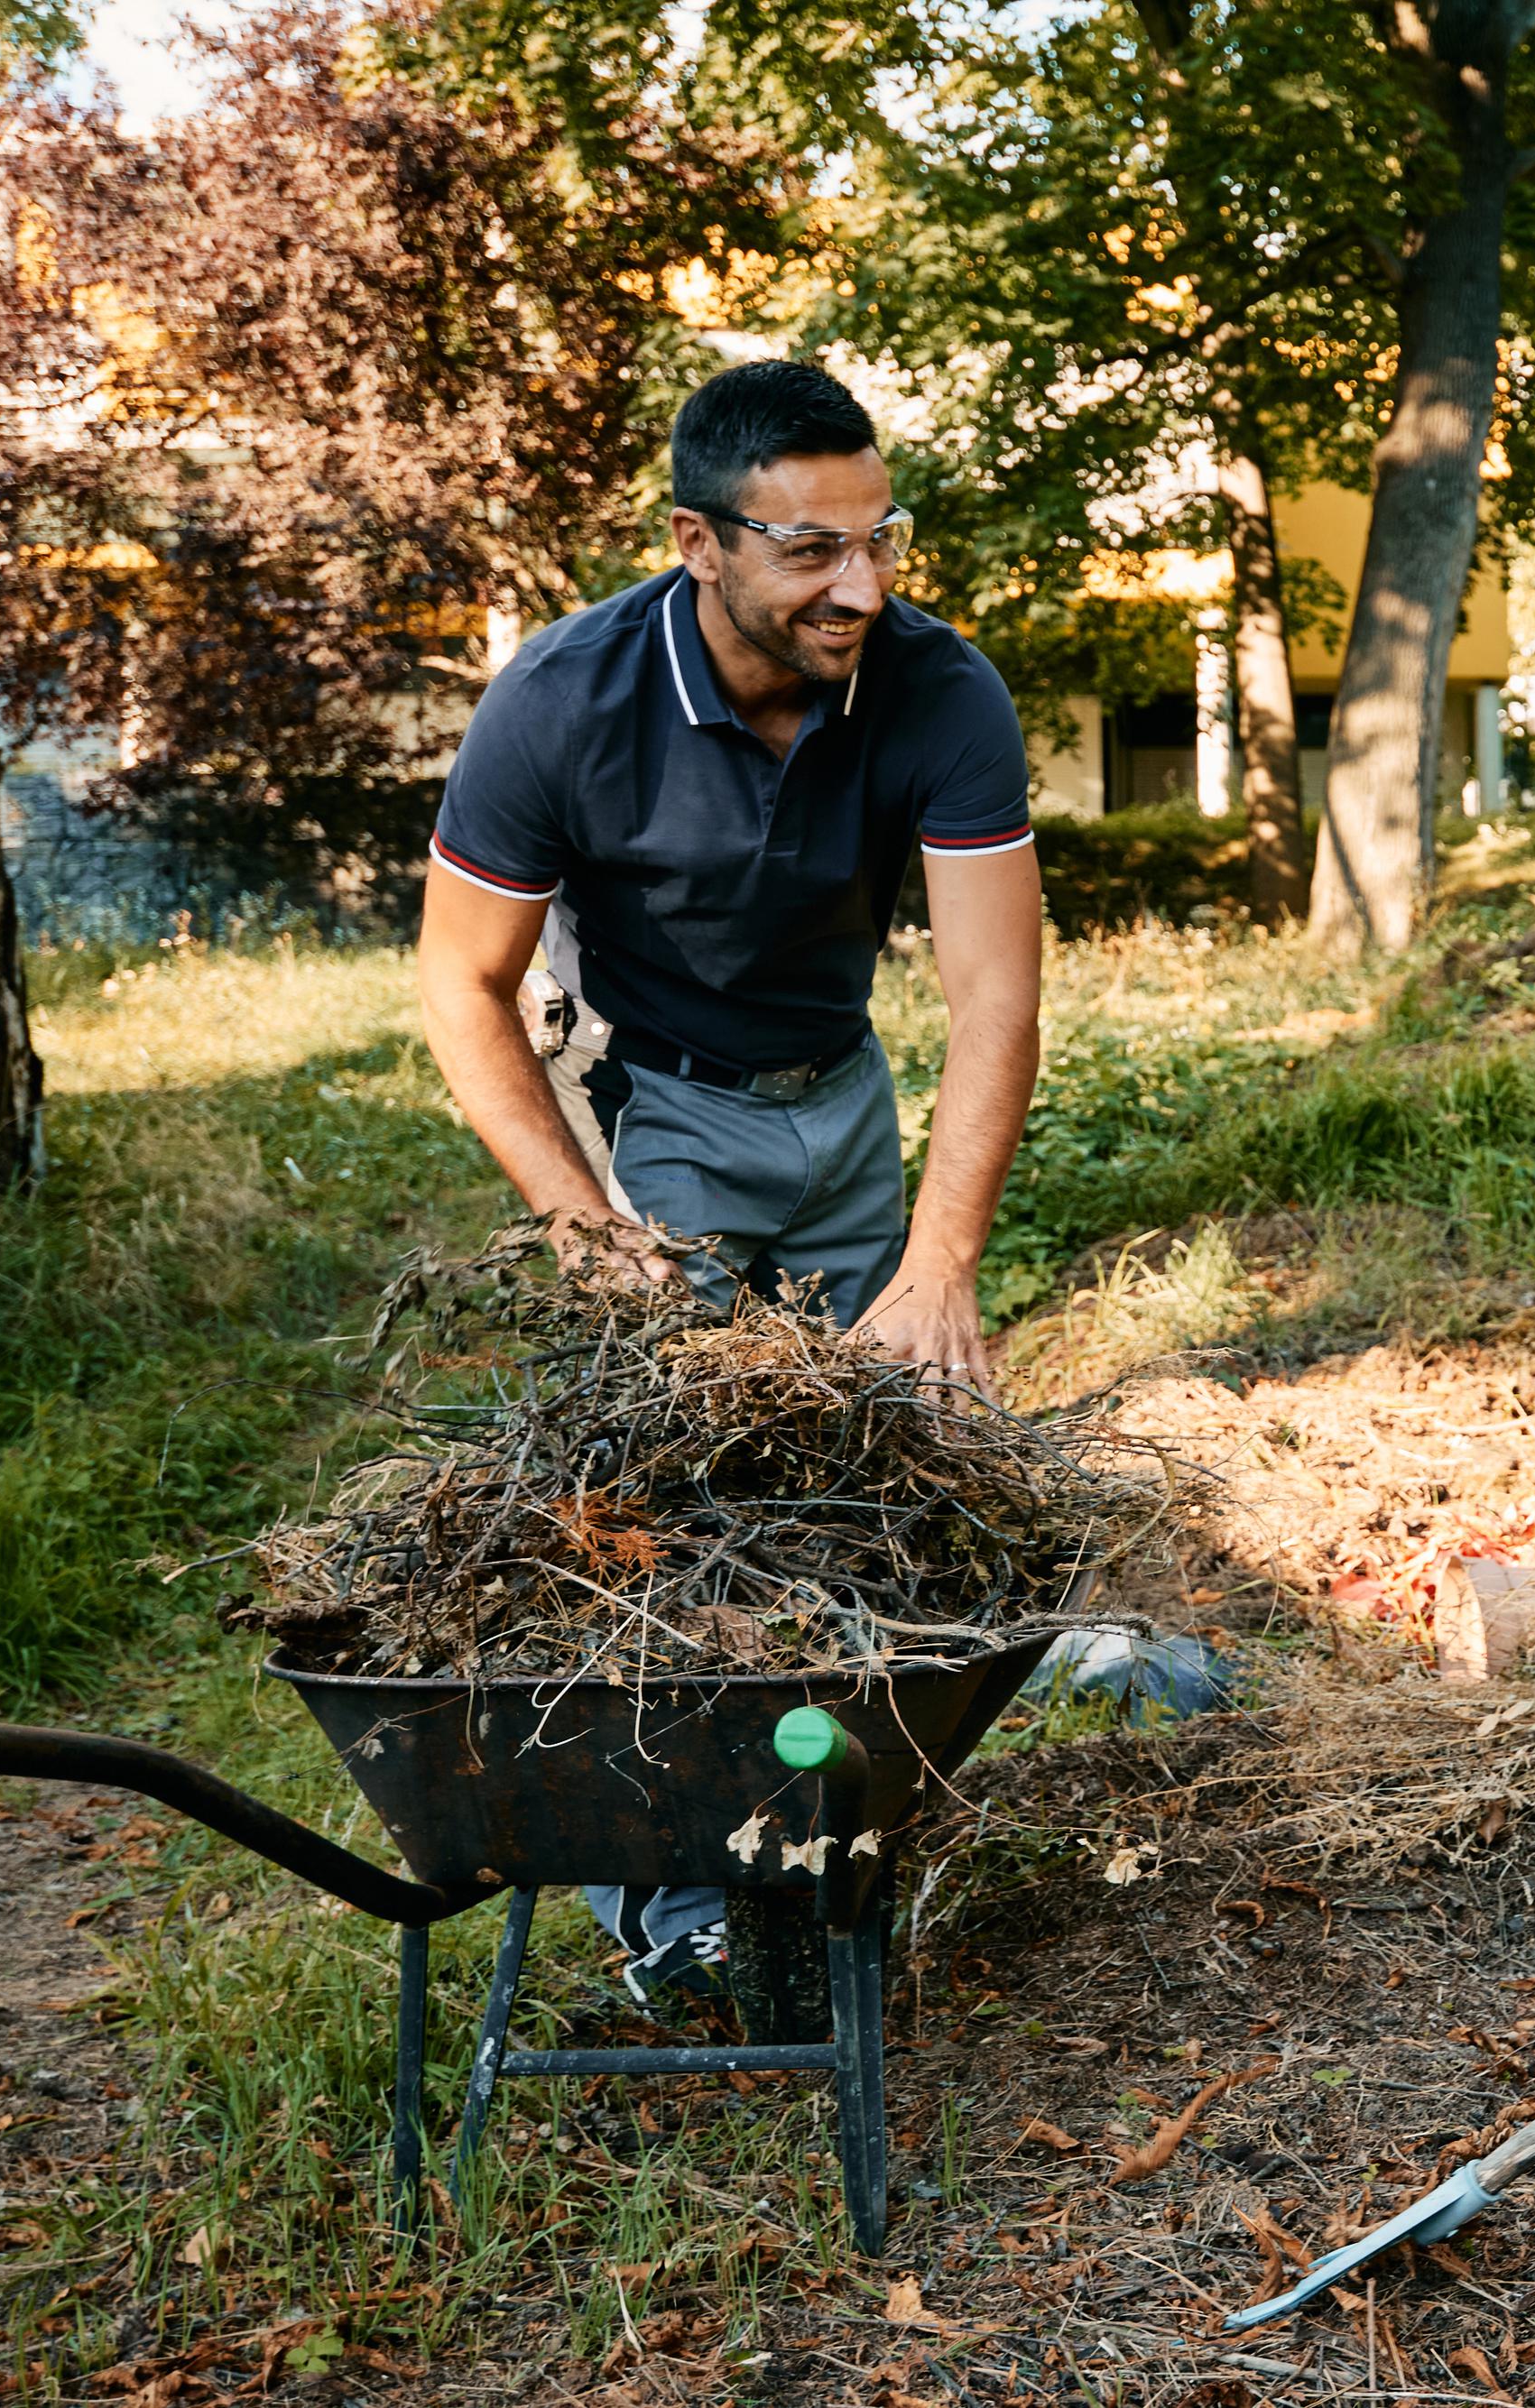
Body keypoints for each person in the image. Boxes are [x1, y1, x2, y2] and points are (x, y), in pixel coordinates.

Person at [414, 358, 1047, 2003]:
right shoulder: (565, 700)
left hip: (843, 1097)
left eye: (882, 538)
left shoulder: (938, 688)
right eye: (811, 551)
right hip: (659, 1103)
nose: (863, 585)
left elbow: (994, 993)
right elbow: (458, 984)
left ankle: (834, 1822)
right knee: (674, 1501)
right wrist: (584, 1228)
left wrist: (940, 1261)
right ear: (700, 539)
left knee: (878, 1473)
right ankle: (670, 1900)